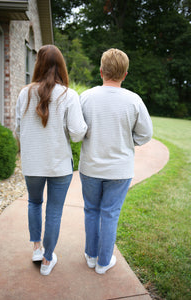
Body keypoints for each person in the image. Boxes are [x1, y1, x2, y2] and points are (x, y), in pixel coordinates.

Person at [79, 48, 153, 274]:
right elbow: (146, 134)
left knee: (91, 210)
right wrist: (128, 141)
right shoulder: (134, 100)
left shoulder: (86, 97)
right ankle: (103, 262)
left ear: (101, 71)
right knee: (110, 213)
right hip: (120, 170)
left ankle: (91, 256)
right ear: (125, 74)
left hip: (90, 166)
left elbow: (76, 130)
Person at [15, 45, 87, 276]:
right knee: (54, 212)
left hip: (32, 164)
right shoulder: (69, 95)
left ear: (37, 64)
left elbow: (18, 130)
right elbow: (77, 134)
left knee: (34, 203)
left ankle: (37, 249)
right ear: (61, 66)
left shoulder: (24, 93)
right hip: (59, 165)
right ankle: (47, 261)